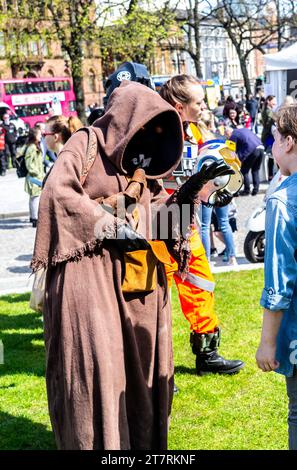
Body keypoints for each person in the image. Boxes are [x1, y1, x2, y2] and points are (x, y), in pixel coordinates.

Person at [30, 80, 231, 450]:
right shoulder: (85, 143)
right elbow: (58, 194)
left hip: (134, 290)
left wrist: (193, 192)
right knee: (98, 378)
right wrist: (108, 224)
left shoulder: (144, 166)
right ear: (124, 120)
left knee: (139, 381)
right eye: (144, 124)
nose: (150, 135)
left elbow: (158, 224)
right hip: (86, 280)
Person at [160, 75, 244, 375]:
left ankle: (207, 355)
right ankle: (156, 370)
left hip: (187, 223)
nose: (204, 106)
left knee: (201, 284)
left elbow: (202, 170)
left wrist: (216, 188)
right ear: (179, 105)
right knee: (155, 300)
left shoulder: (194, 131)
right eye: (198, 102)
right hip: (158, 224)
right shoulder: (154, 133)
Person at [256, 104, 297, 450]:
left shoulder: (282, 200)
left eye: (273, 138)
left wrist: (267, 342)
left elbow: (279, 281)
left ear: (289, 142)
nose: (271, 146)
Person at [226, 126, 264, 196]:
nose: (226, 136)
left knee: (244, 171)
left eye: (226, 134)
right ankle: (255, 190)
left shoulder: (233, 135)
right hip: (261, 147)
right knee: (255, 170)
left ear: (228, 132)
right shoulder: (243, 129)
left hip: (252, 150)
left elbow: (230, 150)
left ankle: (247, 190)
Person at [24, 127, 45, 227]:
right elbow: (29, 164)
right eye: (39, 134)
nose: (41, 136)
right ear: (34, 136)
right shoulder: (31, 147)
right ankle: (35, 219)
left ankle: (33, 217)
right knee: (35, 198)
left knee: (34, 198)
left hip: (37, 176)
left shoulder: (35, 146)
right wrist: (37, 173)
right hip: (34, 177)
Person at [261, 95, 277, 181]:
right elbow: (276, 118)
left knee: (272, 156)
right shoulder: (268, 111)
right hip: (269, 137)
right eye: (274, 101)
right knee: (271, 156)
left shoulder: (267, 110)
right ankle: (272, 175)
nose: (275, 102)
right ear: (268, 101)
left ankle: (272, 175)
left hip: (269, 136)